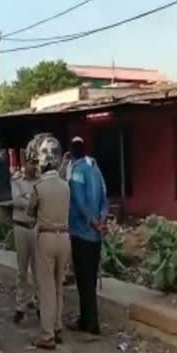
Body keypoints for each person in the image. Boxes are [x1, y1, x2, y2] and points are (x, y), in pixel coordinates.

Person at [27, 136, 70, 350]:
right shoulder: (66, 186)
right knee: (58, 286)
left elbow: (29, 211)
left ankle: (47, 334)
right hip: (65, 237)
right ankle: (58, 326)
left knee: (46, 289)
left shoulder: (38, 187)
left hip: (45, 237)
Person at [67, 136, 109, 335]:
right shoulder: (96, 170)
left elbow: (79, 200)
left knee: (84, 281)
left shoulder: (76, 171)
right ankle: (88, 320)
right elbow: (104, 199)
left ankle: (89, 323)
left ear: (72, 153)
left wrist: (92, 222)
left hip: (81, 233)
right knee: (90, 280)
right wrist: (101, 221)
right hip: (96, 236)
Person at [11, 150, 39, 324]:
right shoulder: (17, 182)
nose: (32, 166)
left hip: (35, 228)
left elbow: (38, 201)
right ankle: (20, 306)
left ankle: (38, 304)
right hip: (20, 227)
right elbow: (16, 201)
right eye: (30, 162)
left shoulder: (39, 183)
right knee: (22, 271)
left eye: (35, 163)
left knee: (38, 271)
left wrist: (27, 199)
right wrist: (32, 201)